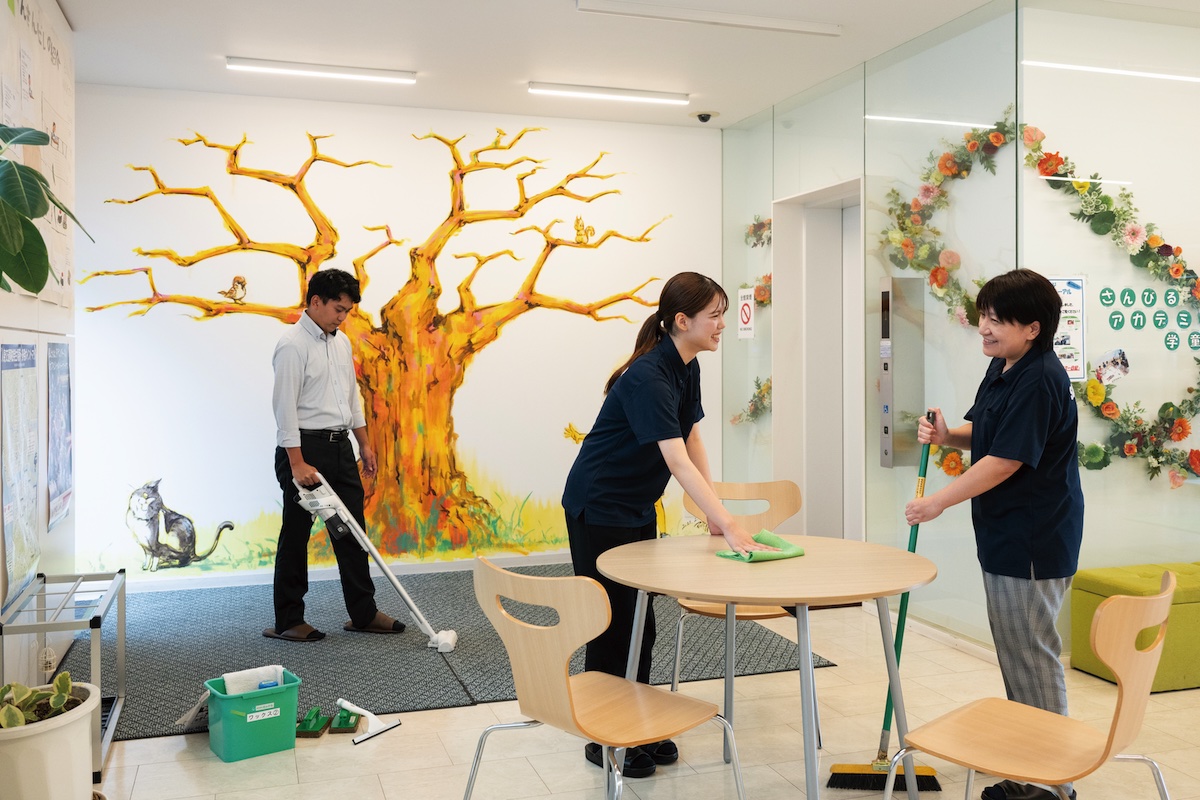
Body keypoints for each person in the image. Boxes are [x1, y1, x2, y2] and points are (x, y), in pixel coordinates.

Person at [562, 271, 776, 778]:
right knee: (611, 622)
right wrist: (727, 522)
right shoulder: (648, 376)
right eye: (714, 316)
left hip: (636, 507)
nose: (722, 325)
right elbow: (676, 460)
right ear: (682, 321)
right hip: (599, 505)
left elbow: (692, 438)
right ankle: (603, 736)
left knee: (642, 620)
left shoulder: (686, 366)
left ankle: (635, 718)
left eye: (723, 315)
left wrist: (710, 512)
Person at [905, 268, 1084, 800]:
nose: (984, 327)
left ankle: (1050, 783)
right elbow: (990, 435)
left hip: (1032, 538)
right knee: (1017, 651)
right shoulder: (1006, 365)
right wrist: (948, 435)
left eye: (997, 320)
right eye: (983, 316)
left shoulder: (1040, 378)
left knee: (1030, 654)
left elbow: (1006, 460)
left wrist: (937, 501)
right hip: (1007, 533)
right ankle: (1029, 761)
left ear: (1032, 328)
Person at [265, 268, 405, 642]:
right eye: (338, 309)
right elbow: (284, 409)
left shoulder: (340, 343)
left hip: (340, 449)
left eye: (347, 311)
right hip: (304, 452)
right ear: (316, 302)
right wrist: (297, 463)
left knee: (352, 532)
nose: (342, 317)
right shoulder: (292, 345)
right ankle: (289, 620)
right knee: (297, 534)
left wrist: (364, 443)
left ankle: (363, 613)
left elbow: (350, 398)